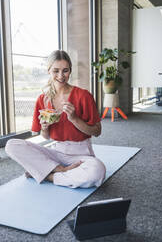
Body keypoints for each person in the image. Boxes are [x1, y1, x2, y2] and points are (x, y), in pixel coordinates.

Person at [5, 50, 106, 188]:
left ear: (70, 70)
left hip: (81, 154)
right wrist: (45, 128)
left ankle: (49, 176)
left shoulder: (83, 95)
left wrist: (74, 118)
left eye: (65, 70)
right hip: (55, 153)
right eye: (56, 71)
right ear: (49, 71)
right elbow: (45, 137)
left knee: (97, 171)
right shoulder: (42, 99)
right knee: (11, 145)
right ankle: (60, 170)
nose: (61, 76)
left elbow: (97, 131)